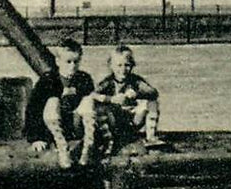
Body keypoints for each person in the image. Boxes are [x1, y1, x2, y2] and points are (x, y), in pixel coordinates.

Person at [25, 38, 95, 168]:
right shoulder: (48, 80)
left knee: (89, 99)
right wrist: (35, 138)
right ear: (58, 61)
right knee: (53, 100)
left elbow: (91, 106)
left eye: (76, 62)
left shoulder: (84, 79)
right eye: (68, 62)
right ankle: (62, 148)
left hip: (74, 125)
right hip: (53, 128)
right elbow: (33, 108)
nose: (72, 66)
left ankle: (88, 146)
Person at [89, 45, 162, 148]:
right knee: (99, 108)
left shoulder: (135, 80)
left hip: (133, 119)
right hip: (116, 120)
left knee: (152, 102)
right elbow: (92, 94)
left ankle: (151, 137)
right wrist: (111, 99)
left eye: (127, 65)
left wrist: (137, 94)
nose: (123, 69)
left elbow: (153, 92)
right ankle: (107, 138)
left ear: (132, 65)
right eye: (119, 65)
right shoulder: (108, 82)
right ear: (111, 66)